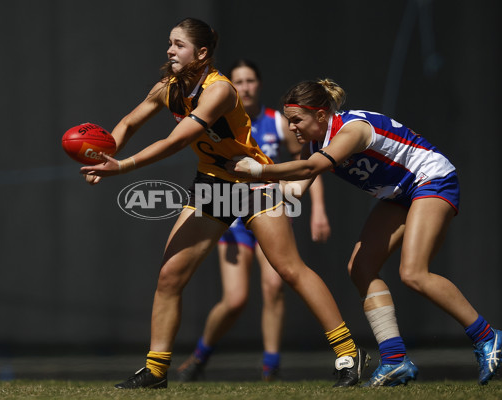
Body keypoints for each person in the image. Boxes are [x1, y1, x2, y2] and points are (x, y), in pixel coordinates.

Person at [80, 19, 368, 389]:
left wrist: (122, 166)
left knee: (289, 270)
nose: (170, 50)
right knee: (170, 276)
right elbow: (128, 123)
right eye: (169, 43)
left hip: (253, 182)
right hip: (213, 184)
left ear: (201, 53)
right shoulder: (169, 88)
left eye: (179, 45)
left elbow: (178, 140)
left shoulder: (219, 91)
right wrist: (106, 151)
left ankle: (348, 354)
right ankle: (155, 371)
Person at [230, 78, 502, 386]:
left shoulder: (352, 130)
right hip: (399, 194)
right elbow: (295, 189)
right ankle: (395, 360)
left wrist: (259, 170)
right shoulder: (315, 143)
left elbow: (310, 170)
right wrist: (253, 188)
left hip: (431, 179)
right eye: (289, 121)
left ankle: (487, 336)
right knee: (361, 268)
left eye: (297, 120)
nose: (293, 127)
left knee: (414, 273)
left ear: (321, 115)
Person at [176, 59, 331, 382]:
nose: (244, 87)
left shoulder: (280, 122)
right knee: (235, 299)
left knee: (276, 283)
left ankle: (270, 367)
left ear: (258, 84)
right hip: (229, 211)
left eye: (250, 81)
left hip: (268, 207)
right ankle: (200, 356)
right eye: (239, 81)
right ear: (228, 87)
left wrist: (317, 208)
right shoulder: (219, 119)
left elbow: (308, 162)